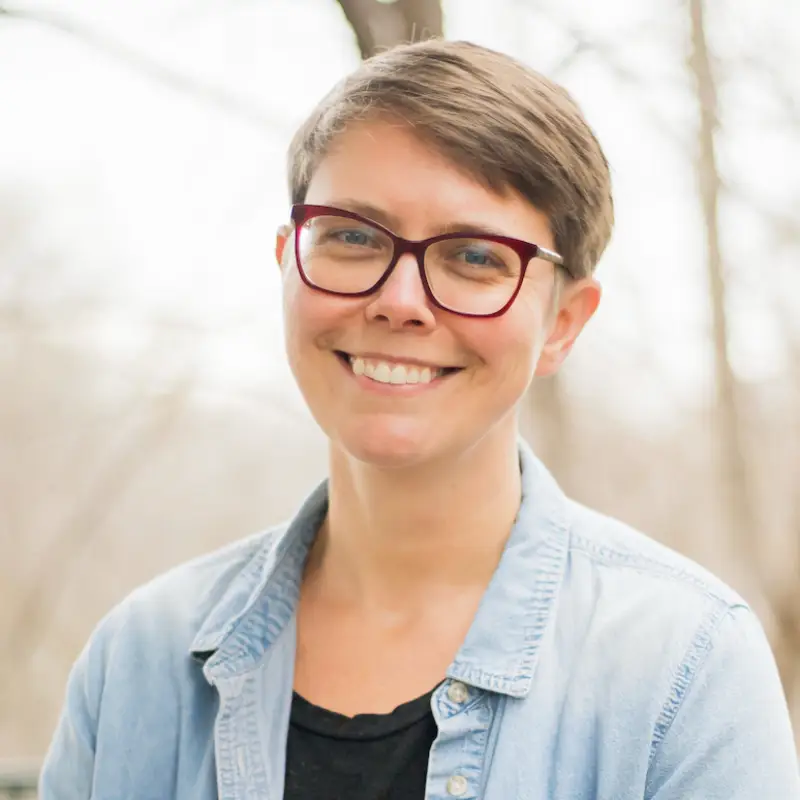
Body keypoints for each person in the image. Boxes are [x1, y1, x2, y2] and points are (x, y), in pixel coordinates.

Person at [40, 39, 799, 799]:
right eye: (353, 236)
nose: (400, 301)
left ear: (564, 322)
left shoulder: (685, 668)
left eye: (474, 257)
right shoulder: (136, 665)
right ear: (285, 263)